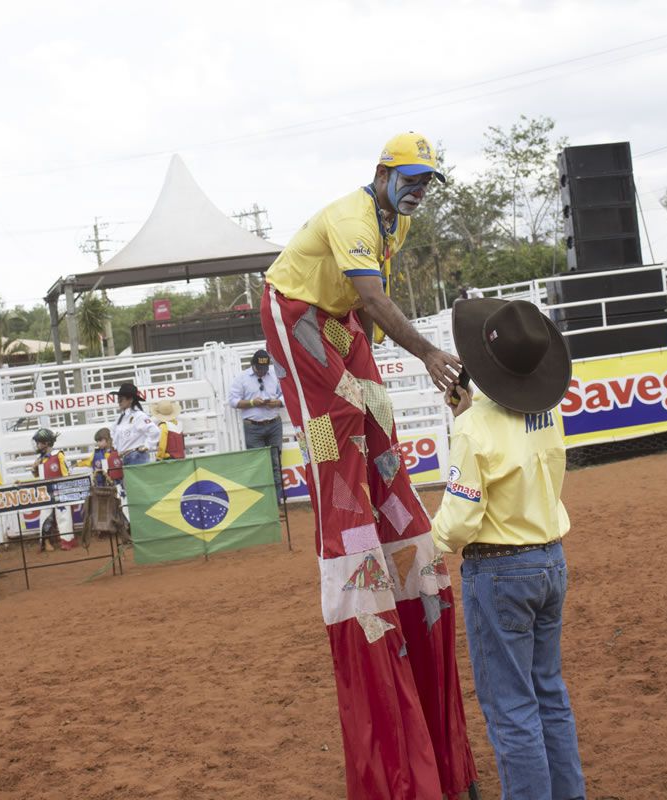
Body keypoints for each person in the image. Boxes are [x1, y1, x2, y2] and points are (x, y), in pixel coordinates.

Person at [261, 132, 476, 798]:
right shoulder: (355, 218)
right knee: (334, 423)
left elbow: (365, 308)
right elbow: (375, 298)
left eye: (428, 181)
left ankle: (386, 527)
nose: (419, 190)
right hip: (295, 308)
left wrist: (373, 363)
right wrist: (429, 353)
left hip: (341, 318)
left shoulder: (396, 222)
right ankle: (348, 534)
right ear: (382, 173)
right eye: (412, 178)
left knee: (375, 415)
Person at [431, 298, 584, 800]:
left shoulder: (472, 427)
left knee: (511, 707)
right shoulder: (547, 412)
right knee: (548, 693)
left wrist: (433, 542)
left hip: (499, 569)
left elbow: (460, 520)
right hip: (548, 557)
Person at [227, 350, 284, 495]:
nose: (261, 372)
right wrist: (252, 402)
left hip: (273, 424)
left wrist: (278, 402)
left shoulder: (274, 375)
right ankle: (265, 497)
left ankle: (277, 498)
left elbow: (285, 393)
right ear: (253, 365)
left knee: (275, 461)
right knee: (258, 462)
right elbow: (233, 401)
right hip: (253, 426)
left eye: (264, 369)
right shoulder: (241, 378)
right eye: (259, 369)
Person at [31, 427, 78, 551]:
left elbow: (67, 473)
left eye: (38, 442)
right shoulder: (40, 459)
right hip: (45, 492)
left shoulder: (58, 455)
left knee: (63, 515)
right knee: (45, 516)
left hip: (60, 491)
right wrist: (34, 468)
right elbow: (36, 475)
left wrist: (67, 489)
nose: (37, 445)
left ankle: (67, 540)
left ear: (46, 443)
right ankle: (44, 542)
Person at [111, 383, 160, 467]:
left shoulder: (139, 416)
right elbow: (114, 433)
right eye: (118, 399)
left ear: (130, 399)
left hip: (137, 457)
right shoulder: (121, 418)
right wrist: (117, 449)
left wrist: (147, 446)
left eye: (121, 399)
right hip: (126, 457)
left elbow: (154, 431)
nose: (118, 402)